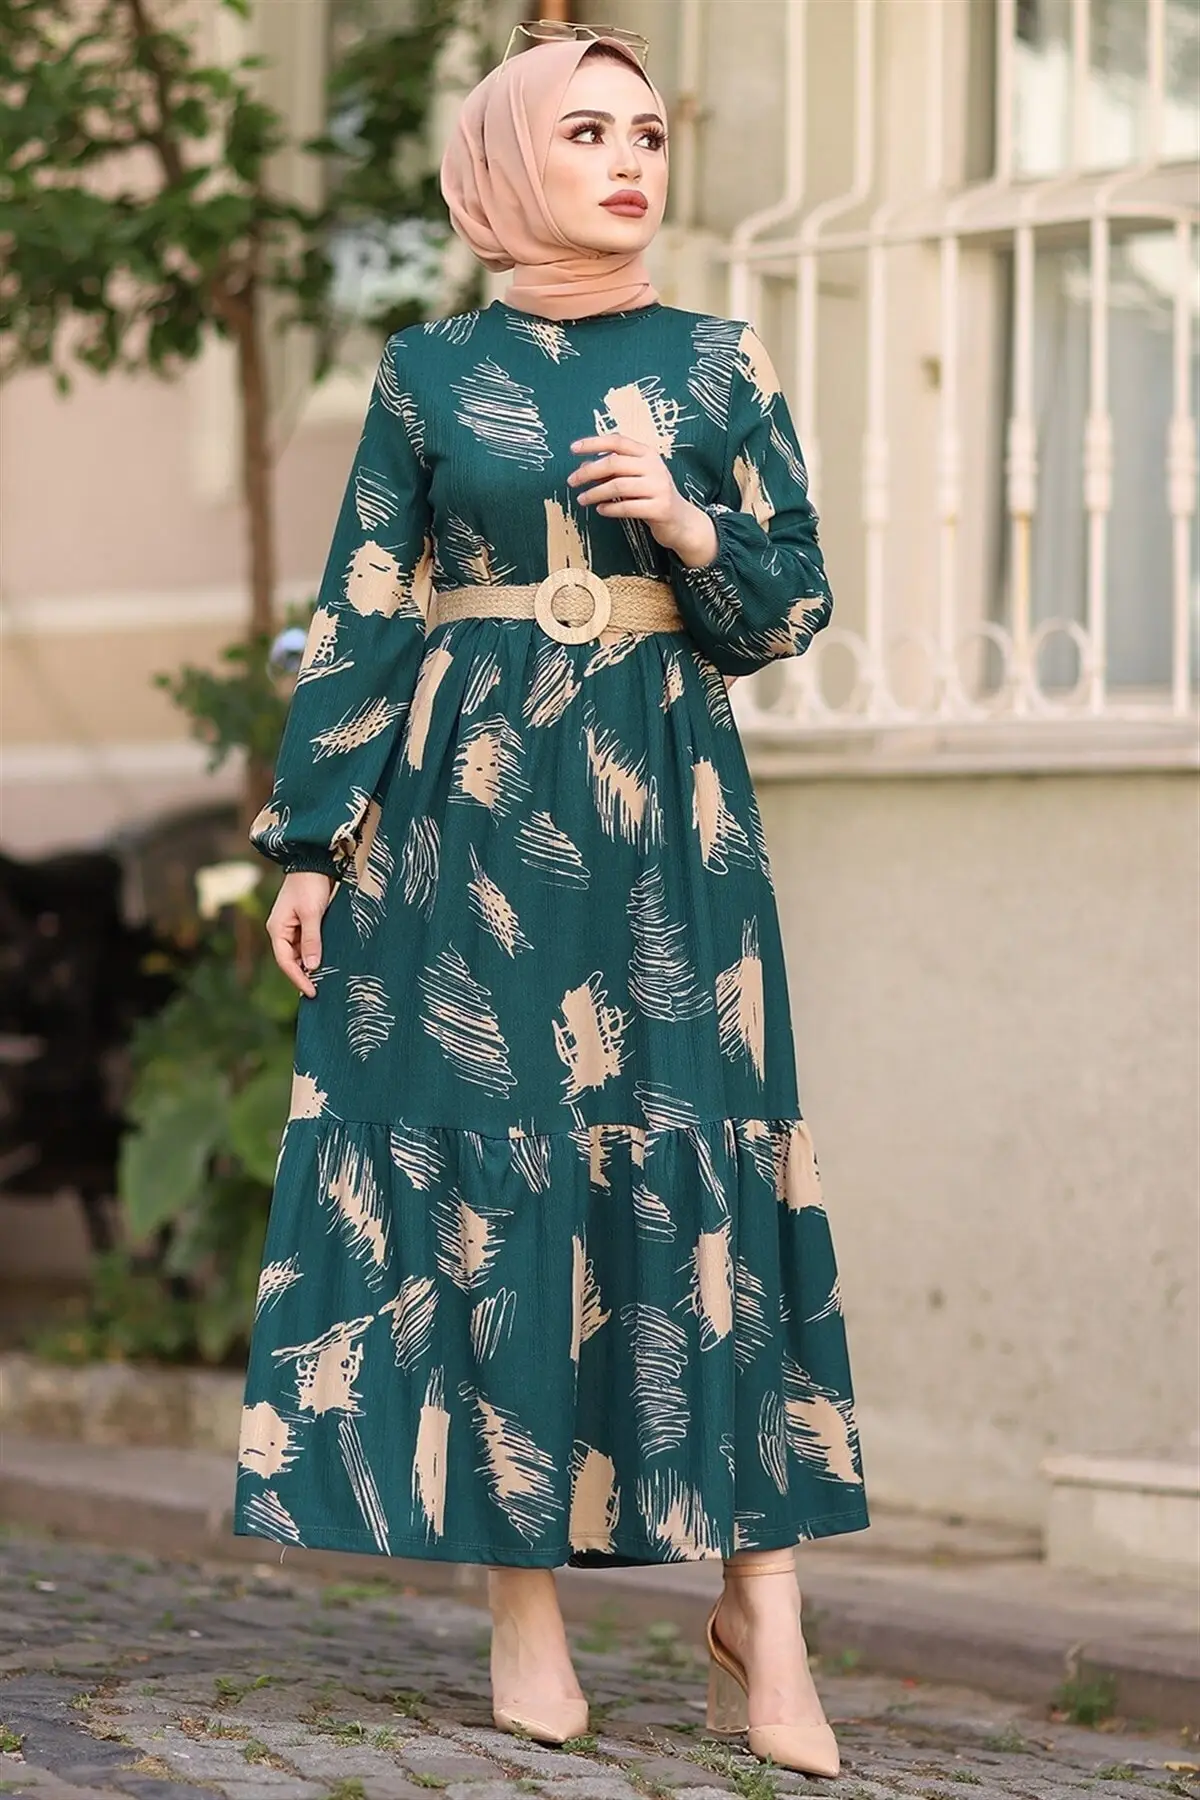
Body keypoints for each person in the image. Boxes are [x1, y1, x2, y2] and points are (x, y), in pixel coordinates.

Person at [232, 20, 869, 1781]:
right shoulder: (429, 373)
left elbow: (791, 606)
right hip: (473, 821)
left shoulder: (719, 361)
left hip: (669, 822)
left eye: (647, 133)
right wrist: (314, 839)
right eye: (585, 131)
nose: (629, 160)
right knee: (500, 1172)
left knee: (705, 1151)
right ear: (507, 161)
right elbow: (369, 602)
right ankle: (525, 1605)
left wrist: (688, 521)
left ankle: (767, 1612)